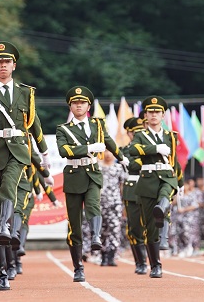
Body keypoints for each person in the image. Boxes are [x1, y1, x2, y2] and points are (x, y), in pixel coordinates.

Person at [0, 41, 50, 291]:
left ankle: (8, 224)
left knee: (10, 185)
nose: (3, 65)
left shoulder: (25, 92)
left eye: (7, 62)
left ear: (14, 65)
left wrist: (44, 150)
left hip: (17, 149)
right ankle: (1, 272)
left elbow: (33, 121)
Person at [56, 85, 126, 282]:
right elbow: (64, 151)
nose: (79, 105)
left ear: (88, 106)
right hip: (73, 174)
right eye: (75, 103)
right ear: (71, 106)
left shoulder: (97, 124)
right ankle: (78, 266)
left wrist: (122, 157)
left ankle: (96, 237)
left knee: (94, 205)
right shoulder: (63, 129)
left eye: (82, 102)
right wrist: (89, 147)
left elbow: (110, 141)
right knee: (75, 224)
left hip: (93, 173)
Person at [128, 96, 183, 278]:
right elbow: (133, 150)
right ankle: (156, 265)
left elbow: (175, 162)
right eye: (150, 112)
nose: (153, 115)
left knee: (165, 194)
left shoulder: (171, 136)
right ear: (145, 115)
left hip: (167, 177)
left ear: (163, 115)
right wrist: (155, 149)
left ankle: (163, 206)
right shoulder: (140, 135)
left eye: (157, 112)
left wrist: (180, 183)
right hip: (148, 179)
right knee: (150, 228)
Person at [120, 116, 148, 274]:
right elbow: (132, 165)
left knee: (149, 226)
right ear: (129, 134)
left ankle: (152, 258)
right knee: (134, 229)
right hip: (132, 190)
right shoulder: (126, 150)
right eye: (135, 132)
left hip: (149, 188)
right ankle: (140, 261)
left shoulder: (149, 145)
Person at [99, 146, 125, 267]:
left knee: (115, 230)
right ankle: (103, 255)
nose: (108, 154)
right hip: (100, 203)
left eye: (110, 151)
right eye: (105, 151)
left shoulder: (119, 168)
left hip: (115, 203)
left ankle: (111, 256)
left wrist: (123, 204)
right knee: (102, 230)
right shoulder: (98, 167)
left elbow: (122, 186)